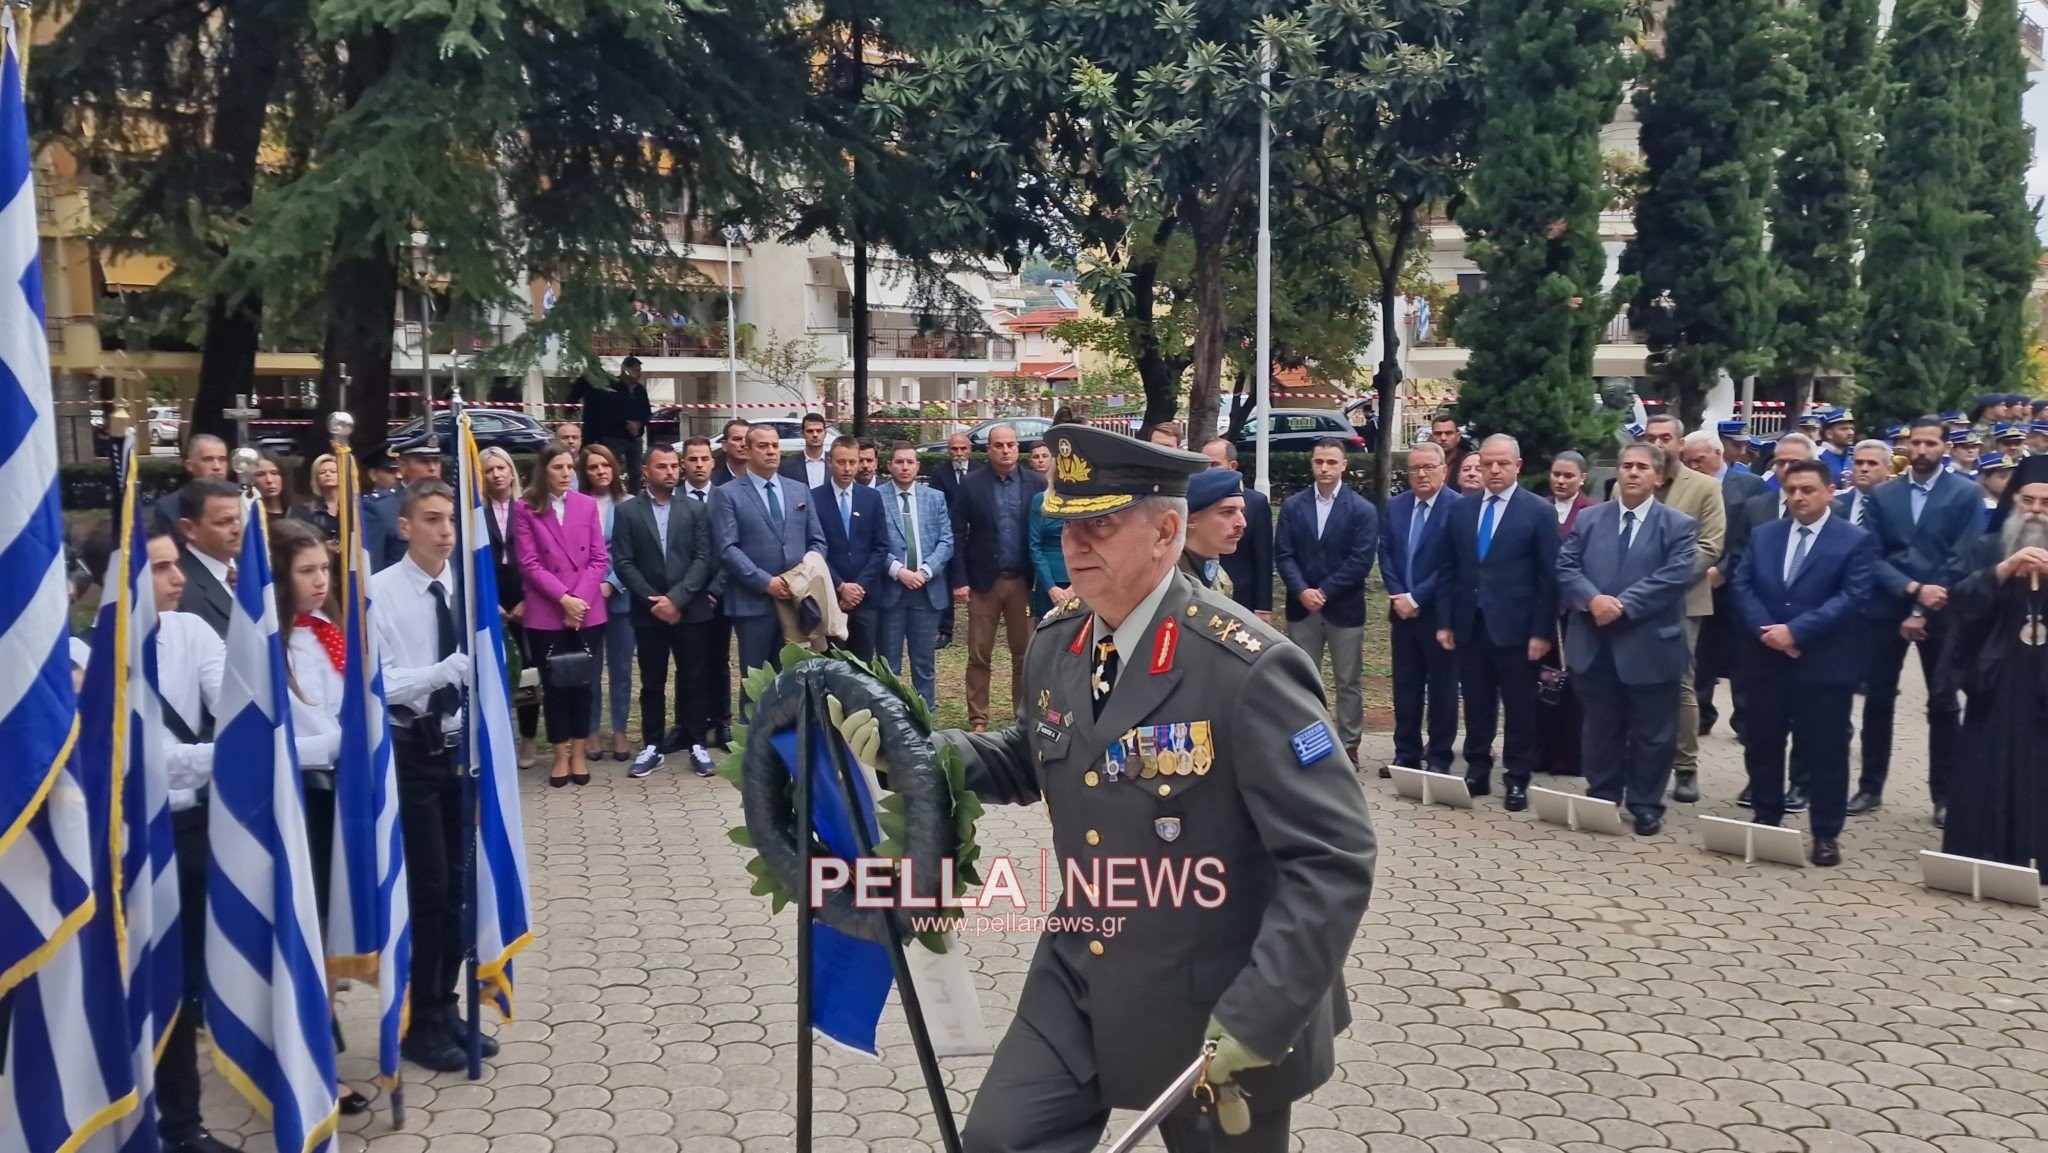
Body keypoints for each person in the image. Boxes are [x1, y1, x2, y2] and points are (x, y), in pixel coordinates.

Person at [926, 422, 1376, 1153]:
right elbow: (1031, 755)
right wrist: (918, 752)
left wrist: (1262, 1012)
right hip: (1083, 967)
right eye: (1067, 526)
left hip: (1213, 989)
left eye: (1099, 525)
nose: (1075, 546)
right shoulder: (1059, 640)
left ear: (1167, 530)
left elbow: (1334, 854)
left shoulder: (1245, 667)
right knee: (1000, 1141)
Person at [370, 480, 495, 1070]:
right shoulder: (379, 595)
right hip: (411, 753)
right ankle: (418, 1019)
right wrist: (440, 672)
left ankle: (446, 1006)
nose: (445, 530)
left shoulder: (462, 588)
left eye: (450, 520)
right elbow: (377, 684)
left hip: (457, 751)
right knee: (427, 890)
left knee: (457, 889)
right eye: (431, 519)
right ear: (405, 527)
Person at [269, 517, 372, 1118]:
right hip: (303, 799)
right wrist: (346, 742)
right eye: (305, 571)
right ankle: (315, 1065)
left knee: (333, 927)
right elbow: (301, 730)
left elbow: (353, 696)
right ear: (281, 578)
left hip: (342, 792)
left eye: (322, 569)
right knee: (308, 930)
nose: (317, 580)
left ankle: (322, 1046)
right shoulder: (274, 643)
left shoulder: (329, 627)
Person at [1731, 459, 1878, 867]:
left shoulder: (1854, 539)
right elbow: (1742, 585)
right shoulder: (1765, 535)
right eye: (1792, 489)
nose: (1798, 497)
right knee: (1762, 742)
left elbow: (1852, 598)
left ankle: (1825, 834)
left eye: (1808, 489)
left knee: (1826, 750)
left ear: (1830, 492)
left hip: (1824, 663)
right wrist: (1768, 630)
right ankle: (1766, 819)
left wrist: (1796, 632)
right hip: (1765, 658)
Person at [142, 524, 234, 1153]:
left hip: (194, 824)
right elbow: (151, 760)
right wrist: (232, 755)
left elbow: (235, 704)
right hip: (137, 844)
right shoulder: (85, 656)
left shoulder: (191, 631)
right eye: (160, 567)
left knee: (201, 970)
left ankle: (184, 1122)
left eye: (178, 563)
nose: (179, 578)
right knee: (159, 982)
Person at [1556, 444, 1699, 834]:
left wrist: (1622, 604)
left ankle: (1645, 803)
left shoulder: (1679, 525)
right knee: (1601, 727)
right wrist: (1592, 599)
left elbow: (1674, 577)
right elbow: (1566, 566)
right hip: (1594, 641)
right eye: (1626, 465)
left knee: (1653, 732)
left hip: (1650, 644)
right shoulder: (1590, 520)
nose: (1632, 472)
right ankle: (1603, 793)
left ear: (1658, 477)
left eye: (1641, 467)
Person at [1848, 416, 1983, 825]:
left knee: (1943, 702)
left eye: (1930, 443)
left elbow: (1964, 555)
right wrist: (1910, 592)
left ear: (1945, 446)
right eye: (1916, 443)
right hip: (1887, 607)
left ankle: (1944, 795)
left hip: (1942, 610)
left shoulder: (1966, 493)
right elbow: (1870, 553)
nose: (1922, 450)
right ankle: (1870, 786)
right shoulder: (1884, 494)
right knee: (1878, 700)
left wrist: (1925, 604)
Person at [1936, 457, 2048, 879]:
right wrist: (2002, 571)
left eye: (2045, 503)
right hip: (1997, 682)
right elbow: (1957, 600)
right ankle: (1982, 851)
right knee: (1987, 763)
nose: (2035, 510)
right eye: (2028, 502)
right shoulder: (1988, 547)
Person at [1437, 434, 1559, 811]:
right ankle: (1477, 766)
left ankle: (1518, 776)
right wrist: (1445, 621)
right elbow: (1448, 568)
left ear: (1517, 466)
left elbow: (1548, 577)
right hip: (1470, 623)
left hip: (1517, 628)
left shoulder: (1538, 511)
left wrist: (1541, 631)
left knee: (1520, 706)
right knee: (1476, 700)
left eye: (1502, 463)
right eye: (1487, 463)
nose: (1493, 470)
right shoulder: (1461, 509)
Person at [610, 443, 716, 778]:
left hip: (690, 610)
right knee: (652, 680)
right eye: (662, 467)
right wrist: (653, 600)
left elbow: (703, 558)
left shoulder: (696, 509)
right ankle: (653, 745)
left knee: (694, 677)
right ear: (645, 472)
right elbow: (623, 561)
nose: (670, 472)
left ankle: (696, 742)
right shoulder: (627, 511)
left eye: (674, 466)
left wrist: (678, 599)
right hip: (648, 612)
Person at [1639, 415, 1726, 804]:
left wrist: (1660, 582)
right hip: (1632, 599)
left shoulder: (1705, 487)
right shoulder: (1629, 481)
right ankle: (1638, 760)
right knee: (1633, 677)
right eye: (1650, 437)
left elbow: (1710, 547)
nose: (1658, 444)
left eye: (1666, 437)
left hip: (1683, 599)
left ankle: (1685, 767)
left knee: (1679, 683)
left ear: (1679, 443)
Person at [1276, 438, 1378, 767]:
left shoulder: (1362, 509)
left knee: (1348, 680)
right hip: (1301, 607)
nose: (1324, 468)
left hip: (1344, 609)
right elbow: (1284, 554)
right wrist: (1303, 590)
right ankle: (1308, 740)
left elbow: (1360, 561)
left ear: (1344, 465)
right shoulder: (1293, 506)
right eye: (1319, 461)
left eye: (1331, 462)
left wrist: (1326, 591)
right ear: (1311, 463)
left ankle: (1348, 744)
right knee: (1304, 678)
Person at [710, 423, 828, 703]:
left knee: (795, 678)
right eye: (763, 446)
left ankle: (789, 743)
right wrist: (766, 582)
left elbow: (817, 542)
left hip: (797, 601)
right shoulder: (728, 494)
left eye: (775, 445)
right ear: (747, 450)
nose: (771, 451)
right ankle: (754, 742)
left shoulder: (799, 490)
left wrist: (801, 578)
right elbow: (727, 548)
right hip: (754, 603)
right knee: (756, 680)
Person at [515, 442, 610, 787]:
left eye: (570, 467)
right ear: (544, 471)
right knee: (554, 686)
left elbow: (599, 558)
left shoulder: (586, 505)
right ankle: (559, 755)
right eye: (558, 467)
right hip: (547, 610)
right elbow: (528, 562)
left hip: (587, 610)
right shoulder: (526, 508)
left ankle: (580, 753)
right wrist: (563, 600)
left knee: (584, 684)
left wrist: (579, 601)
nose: (566, 474)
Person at [951, 424, 1045, 730]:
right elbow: (958, 534)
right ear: (988, 450)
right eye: (999, 445)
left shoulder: (1036, 484)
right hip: (983, 582)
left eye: (1011, 445)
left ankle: (1022, 715)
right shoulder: (971, 485)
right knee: (979, 654)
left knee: (1025, 654)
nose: (1006, 450)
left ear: (1019, 448)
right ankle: (978, 718)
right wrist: (960, 579)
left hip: (1023, 581)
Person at [1377, 442, 1459, 777]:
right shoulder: (1396, 506)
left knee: (1442, 687)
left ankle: (1439, 756)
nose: (1421, 474)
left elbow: (1452, 564)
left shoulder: (1458, 508)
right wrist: (1398, 595)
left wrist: (1417, 597)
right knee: (1405, 686)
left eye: (1428, 467)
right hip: (1402, 613)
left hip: (1439, 615)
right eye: (1414, 468)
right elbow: (1385, 553)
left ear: (1444, 470)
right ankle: (1406, 754)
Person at [1681, 430, 1766, 739]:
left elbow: (1750, 535)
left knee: (1741, 654)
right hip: (1697, 580)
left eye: (1699, 459)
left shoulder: (1750, 485)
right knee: (1700, 653)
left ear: (1717, 454)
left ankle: (1744, 719)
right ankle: (1700, 713)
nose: (1694, 465)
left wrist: (1724, 570)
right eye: (1688, 461)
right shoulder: (1687, 487)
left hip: (1735, 582)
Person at [877, 442, 955, 708]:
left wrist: (925, 571)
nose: (905, 467)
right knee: (890, 665)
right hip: (892, 592)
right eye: (899, 462)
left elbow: (946, 541)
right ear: (889, 466)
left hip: (926, 591)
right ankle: (892, 721)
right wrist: (899, 571)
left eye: (910, 462)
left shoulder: (935, 498)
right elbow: (874, 544)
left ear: (918, 466)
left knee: (924, 664)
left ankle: (925, 722)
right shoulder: (876, 497)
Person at [478, 446, 541, 769]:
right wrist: (490, 603)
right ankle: (501, 738)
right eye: (489, 470)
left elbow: (540, 556)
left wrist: (528, 599)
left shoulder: (527, 509)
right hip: (492, 597)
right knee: (493, 670)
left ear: (512, 472)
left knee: (528, 671)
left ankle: (528, 739)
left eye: (501, 468)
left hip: (525, 596)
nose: (497, 475)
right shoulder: (476, 514)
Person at [578, 444, 636, 764]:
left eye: (606, 465)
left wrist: (611, 584)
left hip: (620, 599)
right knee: (590, 669)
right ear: (583, 472)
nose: (600, 471)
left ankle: (619, 730)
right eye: (593, 467)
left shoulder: (628, 504)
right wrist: (588, 588)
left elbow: (630, 552)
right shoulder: (576, 505)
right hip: (584, 598)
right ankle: (590, 731)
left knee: (622, 669)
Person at [677, 437, 733, 748]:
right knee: (687, 663)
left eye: (704, 459)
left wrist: (714, 589)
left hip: (718, 595)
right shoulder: (671, 499)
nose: (699, 464)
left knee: (718, 660)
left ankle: (721, 721)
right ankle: (687, 724)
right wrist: (687, 592)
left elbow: (730, 548)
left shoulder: (724, 498)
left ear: (713, 463)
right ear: (683, 463)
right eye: (693, 459)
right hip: (684, 596)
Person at [815, 435, 890, 660]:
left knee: (864, 663)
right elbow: (815, 549)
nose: (847, 468)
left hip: (865, 596)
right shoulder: (814, 498)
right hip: (831, 596)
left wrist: (858, 587)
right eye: (841, 462)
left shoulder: (872, 497)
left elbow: (880, 546)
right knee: (832, 662)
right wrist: (840, 586)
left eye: (852, 462)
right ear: (830, 462)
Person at [1200, 439, 1273, 620]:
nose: (1207, 469)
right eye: (1203, 464)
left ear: (1232, 466)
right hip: (1201, 595)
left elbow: (1263, 558)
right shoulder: (1194, 502)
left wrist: (1263, 607)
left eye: (1214, 464)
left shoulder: (1255, 503)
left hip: (1241, 598)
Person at [174, 478, 244, 637]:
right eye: (224, 521)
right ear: (189, 529)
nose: (238, 529)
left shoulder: (257, 568)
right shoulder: (178, 587)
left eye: (240, 518)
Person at [573, 355, 652, 485]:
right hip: (615, 437)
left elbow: (646, 411)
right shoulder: (612, 387)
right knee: (610, 467)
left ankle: (634, 497)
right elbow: (607, 412)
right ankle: (611, 493)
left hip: (635, 438)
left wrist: (639, 423)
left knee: (636, 472)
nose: (639, 373)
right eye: (636, 370)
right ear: (626, 370)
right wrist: (626, 424)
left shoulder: (640, 390)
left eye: (639, 370)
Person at [929, 431, 976, 647]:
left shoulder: (980, 472)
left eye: (963, 448)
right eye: (954, 449)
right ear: (949, 451)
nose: (959, 453)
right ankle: (945, 630)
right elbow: (938, 505)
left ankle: (979, 627)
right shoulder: (940, 473)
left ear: (970, 450)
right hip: (949, 533)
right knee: (948, 580)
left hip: (975, 533)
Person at [1179, 468, 1246, 599]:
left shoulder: (1220, 575)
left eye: (1242, 511)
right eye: (1227, 512)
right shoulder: (1165, 578)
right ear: (1190, 519)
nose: (1242, 523)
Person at [152, 433, 230, 540]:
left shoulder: (243, 499)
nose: (217, 466)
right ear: (190, 466)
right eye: (207, 459)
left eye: (222, 459)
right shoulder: (169, 507)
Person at [1027, 476, 1069, 620]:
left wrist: (1076, 587)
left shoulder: (1090, 500)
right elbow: (1035, 545)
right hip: (1048, 581)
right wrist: (1050, 586)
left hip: (1081, 580)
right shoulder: (1041, 499)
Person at [290, 452, 345, 544]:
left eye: (333, 471)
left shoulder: (354, 508)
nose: (328, 474)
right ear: (316, 479)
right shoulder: (303, 510)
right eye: (322, 472)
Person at [779, 412, 831, 488]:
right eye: (810, 431)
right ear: (802, 434)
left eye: (819, 431)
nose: (815, 435)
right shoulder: (786, 466)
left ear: (825, 433)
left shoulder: (836, 463)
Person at [1549, 451, 1595, 534]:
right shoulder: (1538, 506)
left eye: (1568, 476)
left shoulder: (1593, 510)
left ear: (1582, 478)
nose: (1560, 481)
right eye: (1556, 475)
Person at [252, 450, 293, 518]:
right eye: (260, 474)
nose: (269, 480)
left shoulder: (300, 514)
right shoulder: (249, 519)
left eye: (274, 473)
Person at [712, 418, 751, 487]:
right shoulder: (712, 483)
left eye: (748, 439)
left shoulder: (765, 477)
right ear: (724, 445)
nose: (744, 444)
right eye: (737, 439)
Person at [1429, 412, 1470, 478]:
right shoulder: (1424, 462)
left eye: (1448, 433)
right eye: (1438, 433)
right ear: (1431, 437)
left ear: (1458, 437)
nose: (1443, 438)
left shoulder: (1468, 461)